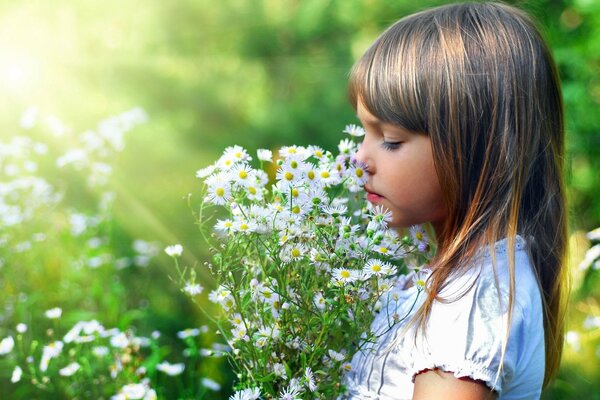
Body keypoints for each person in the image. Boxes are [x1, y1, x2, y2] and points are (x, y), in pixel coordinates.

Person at [345, 2, 568, 399]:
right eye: (365, 132)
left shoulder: (471, 300)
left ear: (474, 150)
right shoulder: (461, 281)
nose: (360, 159)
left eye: (390, 140)